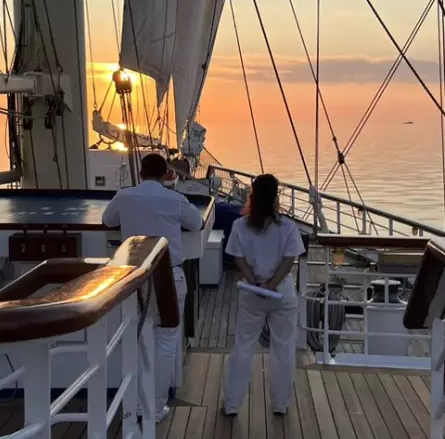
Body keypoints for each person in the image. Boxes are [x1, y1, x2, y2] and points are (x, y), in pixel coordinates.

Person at [102, 153, 204, 422]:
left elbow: (108, 221)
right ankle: (155, 408)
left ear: (141, 173)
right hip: (167, 276)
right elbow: (197, 223)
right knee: (165, 341)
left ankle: (133, 405)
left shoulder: (124, 196)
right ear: (166, 174)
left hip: (132, 278)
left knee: (134, 339)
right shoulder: (174, 199)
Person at [221, 174, 304, 416]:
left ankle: (232, 404)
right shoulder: (287, 227)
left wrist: (254, 280)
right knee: (283, 348)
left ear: (253, 196)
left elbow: (238, 258)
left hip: (252, 293)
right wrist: (272, 284)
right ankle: (281, 403)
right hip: (282, 294)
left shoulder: (240, 226)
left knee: (243, 346)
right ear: (276, 197)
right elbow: (290, 259)